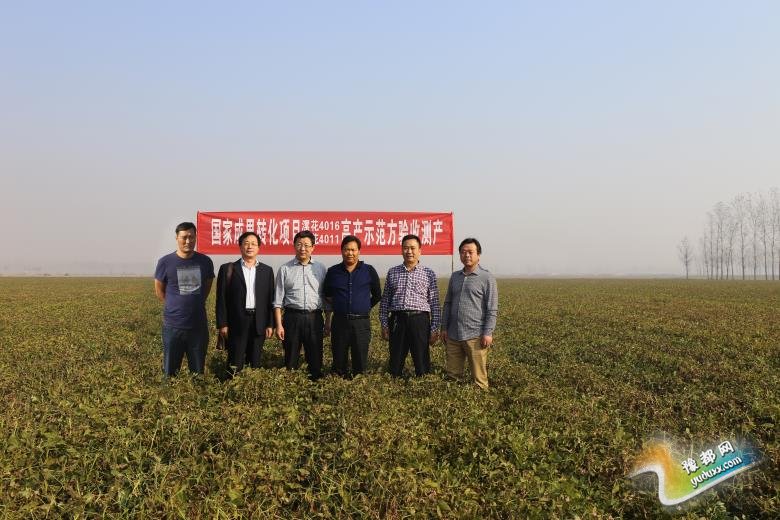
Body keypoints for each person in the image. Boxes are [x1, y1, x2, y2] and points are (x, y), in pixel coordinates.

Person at [154, 222, 215, 376]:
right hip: (173, 326)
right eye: (184, 237)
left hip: (198, 326)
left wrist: (195, 303)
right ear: (177, 238)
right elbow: (159, 290)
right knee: (170, 371)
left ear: (196, 238)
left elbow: (207, 286)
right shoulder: (165, 262)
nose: (188, 241)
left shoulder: (205, 262)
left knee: (198, 371)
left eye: (191, 237)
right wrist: (174, 306)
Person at [379, 234, 441, 377]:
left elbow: (435, 304)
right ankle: (394, 385)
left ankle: (423, 384)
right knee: (395, 361)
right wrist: (384, 324)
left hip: (420, 320)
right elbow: (385, 301)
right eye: (406, 248)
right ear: (401, 250)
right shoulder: (393, 272)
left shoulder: (428, 273)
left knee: (422, 362)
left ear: (420, 251)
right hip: (397, 319)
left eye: (413, 248)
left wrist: (434, 328)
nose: (409, 251)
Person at [215, 231, 275, 376]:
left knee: (255, 361)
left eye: (253, 244)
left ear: (259, 248)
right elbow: (221, 299)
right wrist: (222, 324)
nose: (250, 247)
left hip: (258, 322)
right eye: (246, 243)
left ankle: (251, 387)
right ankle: (232, 387)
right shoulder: (228, 269)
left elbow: (270, 299)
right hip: (236, 322)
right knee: (234, 362)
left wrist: (270, 324)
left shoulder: (267, 271)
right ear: (240, 246)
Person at [441, 238, 498, 389]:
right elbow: (447, 303)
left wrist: (488, 333)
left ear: (478, 255)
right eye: (463, 252)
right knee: (452, 377)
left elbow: (492, 308)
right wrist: (444, 327)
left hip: (476, 336)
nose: (466, 255)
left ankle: (481, 400)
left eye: (470, 252)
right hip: (453, 334)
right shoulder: (455, 277)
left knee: (479, 379)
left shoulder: (487, 278)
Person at [273, 230, 328, 380]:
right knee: (290, 358)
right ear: (294, 246)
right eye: (299, 244)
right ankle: (290, 386)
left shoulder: (321, 268)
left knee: (315, 359)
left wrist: (328, 321)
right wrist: (279, 325)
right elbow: (277, 301)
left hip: (314, 317)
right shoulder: (285, 269)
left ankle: (316, 386)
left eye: (306, 245)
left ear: (313, 247)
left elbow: (325, 297)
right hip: (292, 318)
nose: (303, 248)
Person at [324, 235, 382, 378]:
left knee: (360, 361)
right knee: (339, 360)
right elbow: (328, 295)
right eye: (346, 249)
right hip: (340, 322)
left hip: (361, 323)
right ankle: (339, 385)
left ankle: (358, 386)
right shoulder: (333, 272)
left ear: (359, 251)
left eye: (353, 250)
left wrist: (363, 306)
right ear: (341, 251)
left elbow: (377, 295)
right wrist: (340, 306)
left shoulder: (368, 270)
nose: (350, 253)